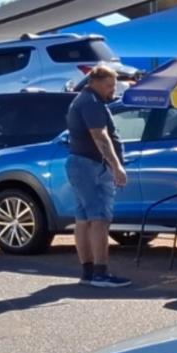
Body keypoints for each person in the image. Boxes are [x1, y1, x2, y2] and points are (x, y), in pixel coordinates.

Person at [65, 65, 132, 287]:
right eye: (109, 85)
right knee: (99, 218)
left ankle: (88, 272)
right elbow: (100, 136)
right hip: (90, 165)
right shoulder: (91, 103)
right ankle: (100, 273)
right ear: (94, 82)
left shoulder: (86, 100)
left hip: (81, 164)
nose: (112, 90)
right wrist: (116, 166)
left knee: (84, 219)